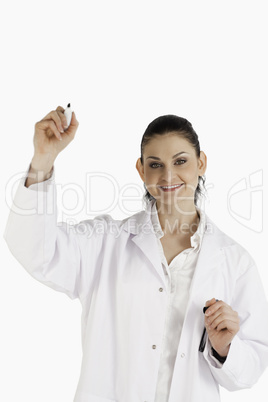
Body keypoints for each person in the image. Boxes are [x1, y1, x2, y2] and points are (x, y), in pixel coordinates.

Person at [4, 106, 268, 402]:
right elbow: (35, 249)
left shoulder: (234, 261)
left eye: (180, 161)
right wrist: (44, 159)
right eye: (155, 164)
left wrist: (225, 348)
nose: (168, 175)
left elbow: (253, 367)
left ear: (201, 163)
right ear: (141, 170)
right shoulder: (104, 242)